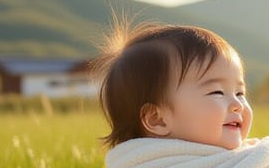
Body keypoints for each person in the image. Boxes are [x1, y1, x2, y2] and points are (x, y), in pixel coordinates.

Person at [94, 22, 253, 150]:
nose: (238, 105)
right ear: (157, 119)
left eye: (240, 93)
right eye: (217, 92)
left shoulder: (247, 161)